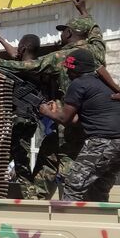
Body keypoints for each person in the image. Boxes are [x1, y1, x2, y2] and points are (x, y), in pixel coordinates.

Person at [0, 0, 106, 200]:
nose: (60, 37)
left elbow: (30, 65)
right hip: (91, 119)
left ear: (70, 33)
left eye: (63, 32)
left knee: (64, 161)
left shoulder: (62, 56)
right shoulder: (97, 50)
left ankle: (64, 204)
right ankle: (39, 198)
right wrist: (83, 10)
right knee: (49, 155)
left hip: (68, 118)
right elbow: (95, 31)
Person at [39, 49, 120, 202]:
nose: (67, 73)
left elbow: (66, 119)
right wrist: (57, 112)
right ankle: (98, 223)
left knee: (73, 185)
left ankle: (67, 223)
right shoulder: (104, 84)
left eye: (69, 69)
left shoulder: (79, 84)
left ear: (76, 69)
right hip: (117, 144)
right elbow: (77, 118)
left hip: (102, 142)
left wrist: (46, 111)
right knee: (98, 187)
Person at [0, 31, 43, 197]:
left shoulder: (26, 67)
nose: (16, 50)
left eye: (20, 46)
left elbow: (6, 60)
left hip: (20, 121)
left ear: (24, 48)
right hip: (26, 120)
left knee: (16, 162)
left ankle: (31, 198)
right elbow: (14, 53)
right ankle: (25, 196)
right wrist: (0, 38)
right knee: (9, 161)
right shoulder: (35, 65)